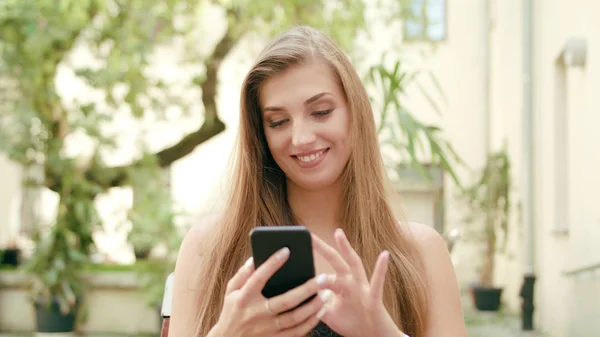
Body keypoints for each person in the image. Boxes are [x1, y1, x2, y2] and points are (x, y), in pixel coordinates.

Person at [169, 25, 467, 337]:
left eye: (321, 112)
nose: (300, 138)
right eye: (278, 122)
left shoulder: (420, 253)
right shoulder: (209, 247)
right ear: (262, 133)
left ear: (355, 112)